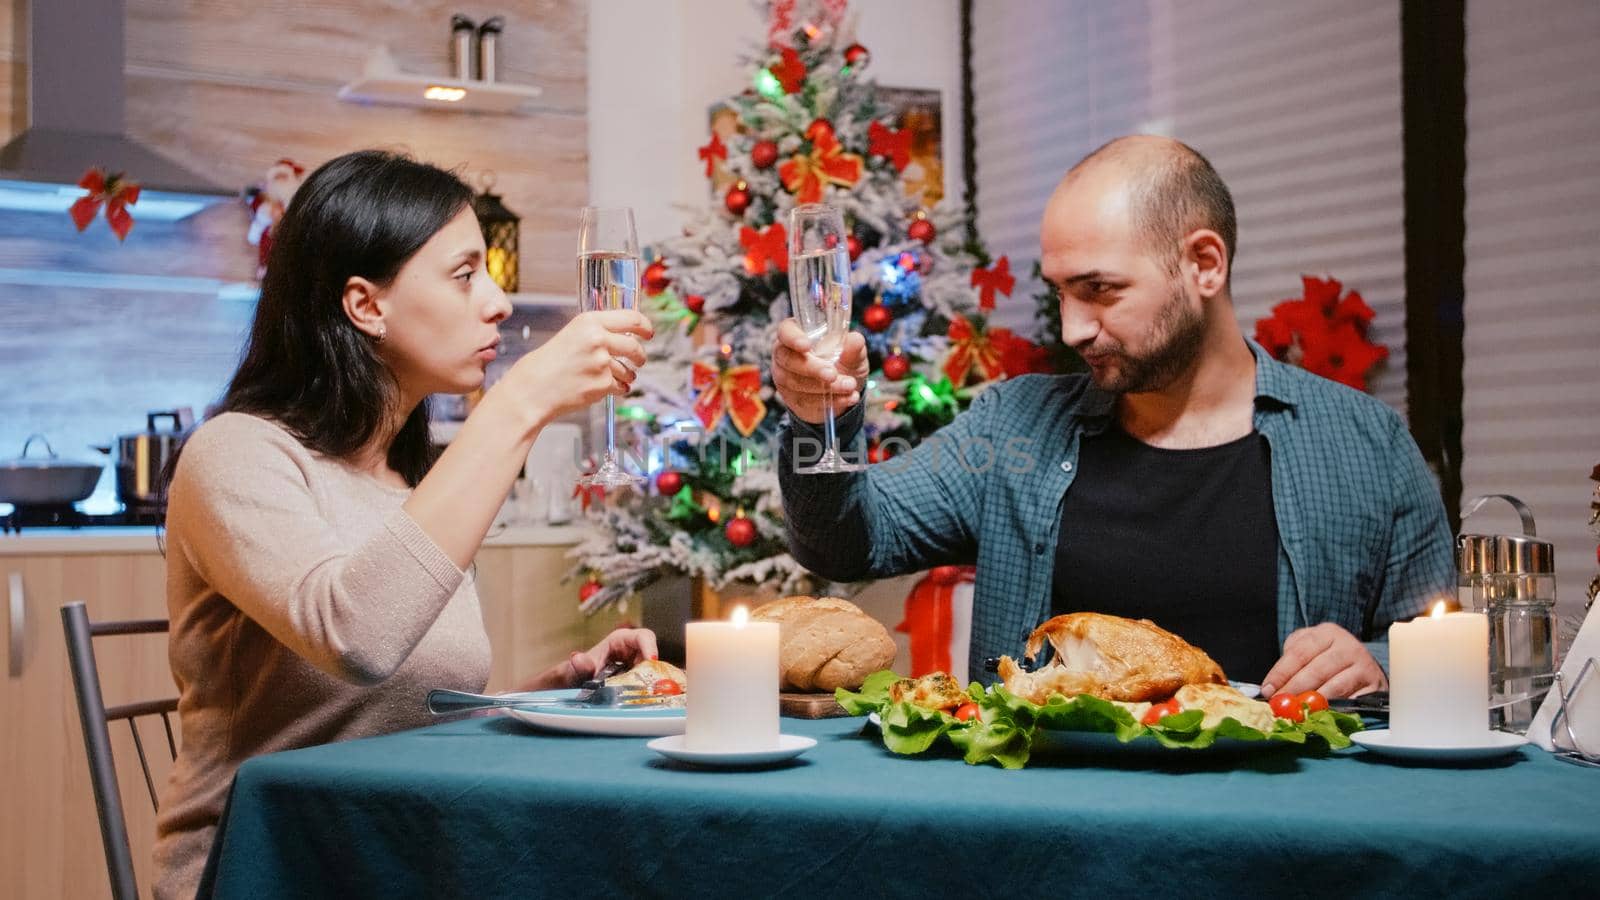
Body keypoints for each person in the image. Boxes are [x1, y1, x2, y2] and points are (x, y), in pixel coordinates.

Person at [773, 135, 1454, 701]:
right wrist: (816, 421)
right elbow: (845, 544)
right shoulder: (1013, 428)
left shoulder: (1366, 444)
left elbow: (1452, 653)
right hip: (1048, 826)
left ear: (1204, 264)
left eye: (1100, 291)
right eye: (1061, 293)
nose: (1073, 328)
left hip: (1278, 834)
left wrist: (1378, 663)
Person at [153, 150, 657, 899]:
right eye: (464, 276)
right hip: (269, 871)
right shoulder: (236, 454)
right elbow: (355, 638)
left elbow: (395, 718)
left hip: (396, 860)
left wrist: (546, 694)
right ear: (366, 305)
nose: (498, 303)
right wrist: (520, 402)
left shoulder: (410, 482)